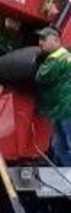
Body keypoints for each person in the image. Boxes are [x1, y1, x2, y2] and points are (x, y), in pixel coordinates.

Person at [35, 26, 71, 165]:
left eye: (44, 39)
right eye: (39, 39)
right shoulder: (66, 57)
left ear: (56, 41)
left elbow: (41, 77)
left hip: (65, 110)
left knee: (64, 146)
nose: (40, 43)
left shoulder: (57, 59)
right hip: (61, 110)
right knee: (59, 147)